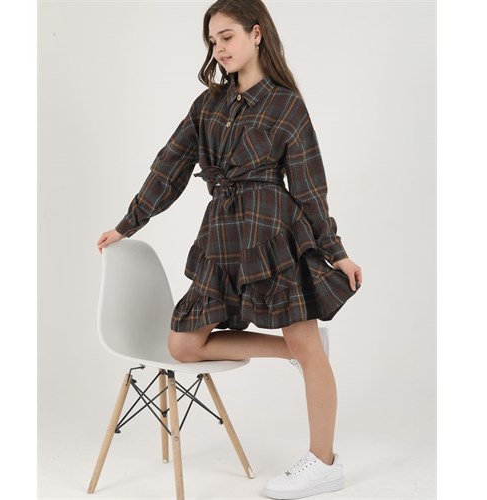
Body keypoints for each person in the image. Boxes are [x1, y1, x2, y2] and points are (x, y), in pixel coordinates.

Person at [97, 0, 362, 498]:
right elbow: (169, 167)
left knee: (307, 345)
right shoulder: (208, 105)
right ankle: (293, 352)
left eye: (227, 37)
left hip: (272, 231)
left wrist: (336, 252)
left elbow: (310, 188)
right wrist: (128, 225)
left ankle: (323, 462)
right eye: (212, 41)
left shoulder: (286, 105)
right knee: (183, 344)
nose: (218, 49)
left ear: (256, 34)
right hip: (222, 236)